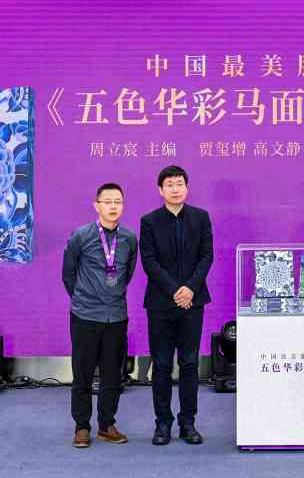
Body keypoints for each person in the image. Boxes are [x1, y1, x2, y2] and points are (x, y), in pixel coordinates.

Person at [139, 165, 213, 446]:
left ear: (187, 187)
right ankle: (162, 424)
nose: (175, 188)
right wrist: (175, 291)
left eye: (180, 183)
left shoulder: (201, 218)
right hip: (160, 304)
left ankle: (188, 423)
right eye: (169, 184)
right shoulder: (149, 221)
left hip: (193, 302)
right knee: (161, 365)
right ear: (160, 190)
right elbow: (149, 262)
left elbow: (206, 256)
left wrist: (190, 288)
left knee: (190, 363)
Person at [62, 183, 138, 448]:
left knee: (112, 375)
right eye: (108, 201)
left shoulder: (129, 239)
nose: (113, 206)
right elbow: (68, 274)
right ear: (97, 205)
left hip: (116, 316)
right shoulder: (81, 236)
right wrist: (83, 298)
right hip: (85, 315)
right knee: (82, 374)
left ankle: (106, 425)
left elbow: (127, 274)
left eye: (118, 201)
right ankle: (82, 427)